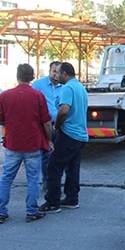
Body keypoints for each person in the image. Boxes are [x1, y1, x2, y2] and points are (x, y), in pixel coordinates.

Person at [0, 64, 53, 223]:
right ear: (32, 77)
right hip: (33, 143)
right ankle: (31, 211)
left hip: (13, 143)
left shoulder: (5, 96)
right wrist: (49, 140)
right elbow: (46, 122)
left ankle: (1, 212)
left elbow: (1, 118)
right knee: (33, 179)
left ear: (18, 76)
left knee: (7, 178)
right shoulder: (37, 95)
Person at [39, 62, 89, 213]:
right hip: (80, 135)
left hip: (69, 134)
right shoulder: (80, 87)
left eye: (59, 72)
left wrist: (57, 127)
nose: (56, 75)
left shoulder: (68, 88)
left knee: (53, 166)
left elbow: (63, 111)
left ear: (65, 74)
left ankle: (52, 202)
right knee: (72, 167)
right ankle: (72, 198)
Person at [32, 61, 62, 191]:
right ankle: (47, 183)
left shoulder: (65, 86)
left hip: (60, 126)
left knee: (58, 156)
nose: (56, 74)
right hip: (43, 126)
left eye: (59, 72)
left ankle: (55, 182)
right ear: (49, 71)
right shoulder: (38, 85)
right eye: (54, 71)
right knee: (46, 156)